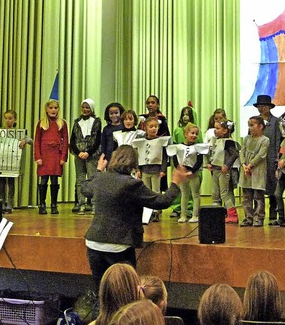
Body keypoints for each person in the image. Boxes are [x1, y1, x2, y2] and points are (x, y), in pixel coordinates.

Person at [82, 145, 190, 291]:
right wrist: (175, 183)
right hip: (118, 244)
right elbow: (162, 202)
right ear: (133, 163)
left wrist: (99, 170)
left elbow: (85, 189)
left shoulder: (101, 178)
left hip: (93, 243)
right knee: (126, 292)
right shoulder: (132, 184)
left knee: (102, 293)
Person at [0, 109, 34, 213]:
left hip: (12, 164)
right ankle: (1, 204)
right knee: (1, 184)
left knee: (11, 184)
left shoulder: (18, 133)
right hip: (1, 163)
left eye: (10, 118)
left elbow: (31, 140)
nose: (7, 120)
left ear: (15, 120)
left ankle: (10, 204)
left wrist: (25, 140)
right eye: (6, 118)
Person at [132, 118, 171, 222]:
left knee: (156, 192)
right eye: (151, 126)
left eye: (156, 127)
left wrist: (163, 169)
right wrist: (137, 169)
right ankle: (147, 213)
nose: (154, 129)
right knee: (146, 192)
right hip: (144, 171)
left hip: (156, 171)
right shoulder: (141, 141)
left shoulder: (160, 141)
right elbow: (137, 155)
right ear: (145, 128)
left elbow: (164, 157)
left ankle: (156, 212)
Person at [34, 99, 69, 215]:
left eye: (55, 108)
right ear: (46, 109)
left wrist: (63, 157)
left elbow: (65, 141)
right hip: (44, 156)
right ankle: (42, 204)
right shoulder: (41, 123)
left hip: (56, 155)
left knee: (54, 180)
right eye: (51, 108)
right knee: (43, 180)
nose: (53, 110)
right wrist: (37, 157)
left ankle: (54, 204)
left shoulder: (62, 123)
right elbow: (37, 142)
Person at [167, 123, 207, 223]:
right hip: (183, 174)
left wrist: (192, 171)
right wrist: (179, 170)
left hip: (193, 174)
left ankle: (195, 215)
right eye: (192, 133)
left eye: (196, 134)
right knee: (184, 194)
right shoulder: (179, 146)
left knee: (195, 194)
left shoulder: (198, 147)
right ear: (185, 134)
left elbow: (199, 160)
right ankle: (183, 214)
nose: (194, 135)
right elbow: (175, 158)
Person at [70, 98, 102, 214]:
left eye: (87, 107)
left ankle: (93, 204)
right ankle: (80, 203)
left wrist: (89, 152)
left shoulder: (96, 121)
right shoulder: (77, 121)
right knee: (80, 179)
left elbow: (97, 139)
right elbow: (72, 140)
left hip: (92, 155)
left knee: (92, 178)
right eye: (83, 107)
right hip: (79, 155)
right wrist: (78, 152)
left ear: (91, 109)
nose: (85, 109)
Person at [253, 95, 281, 223]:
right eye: (259, 106)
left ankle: (273, 212)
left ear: (269, 107)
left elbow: (277, 141)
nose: (261, 108)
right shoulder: (254, 122)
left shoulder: (276, 121)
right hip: (257, 159)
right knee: (257, 186)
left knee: (272, 185)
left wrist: (277, 158)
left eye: (263, 106)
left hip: (270, 158)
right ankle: (257, 213)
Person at [205, 120, 239, 223]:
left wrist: (227, 165)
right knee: (215, 193)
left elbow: (234, 154)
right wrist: (210, 163)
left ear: (225, 131)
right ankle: (216, 213)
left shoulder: (228, 142)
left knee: (224, 193)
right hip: (215, 170)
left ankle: (232, 214)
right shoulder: (216, 140)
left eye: (218, 128)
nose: (215, 131)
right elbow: (214, 154)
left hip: (223, 171)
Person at [239, 116, 269, 227]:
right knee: (246, 196)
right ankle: (248, 217)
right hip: (246, 171)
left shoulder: (265, 140)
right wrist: (244, 165)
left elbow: (261, 155)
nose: (250, 128)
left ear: (261, 126)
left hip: (257, 171)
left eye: (252, 125)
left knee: (258, 196)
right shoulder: (246, 139)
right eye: (249, 125)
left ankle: (258, 217)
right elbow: (242, 152)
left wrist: (250, 165)